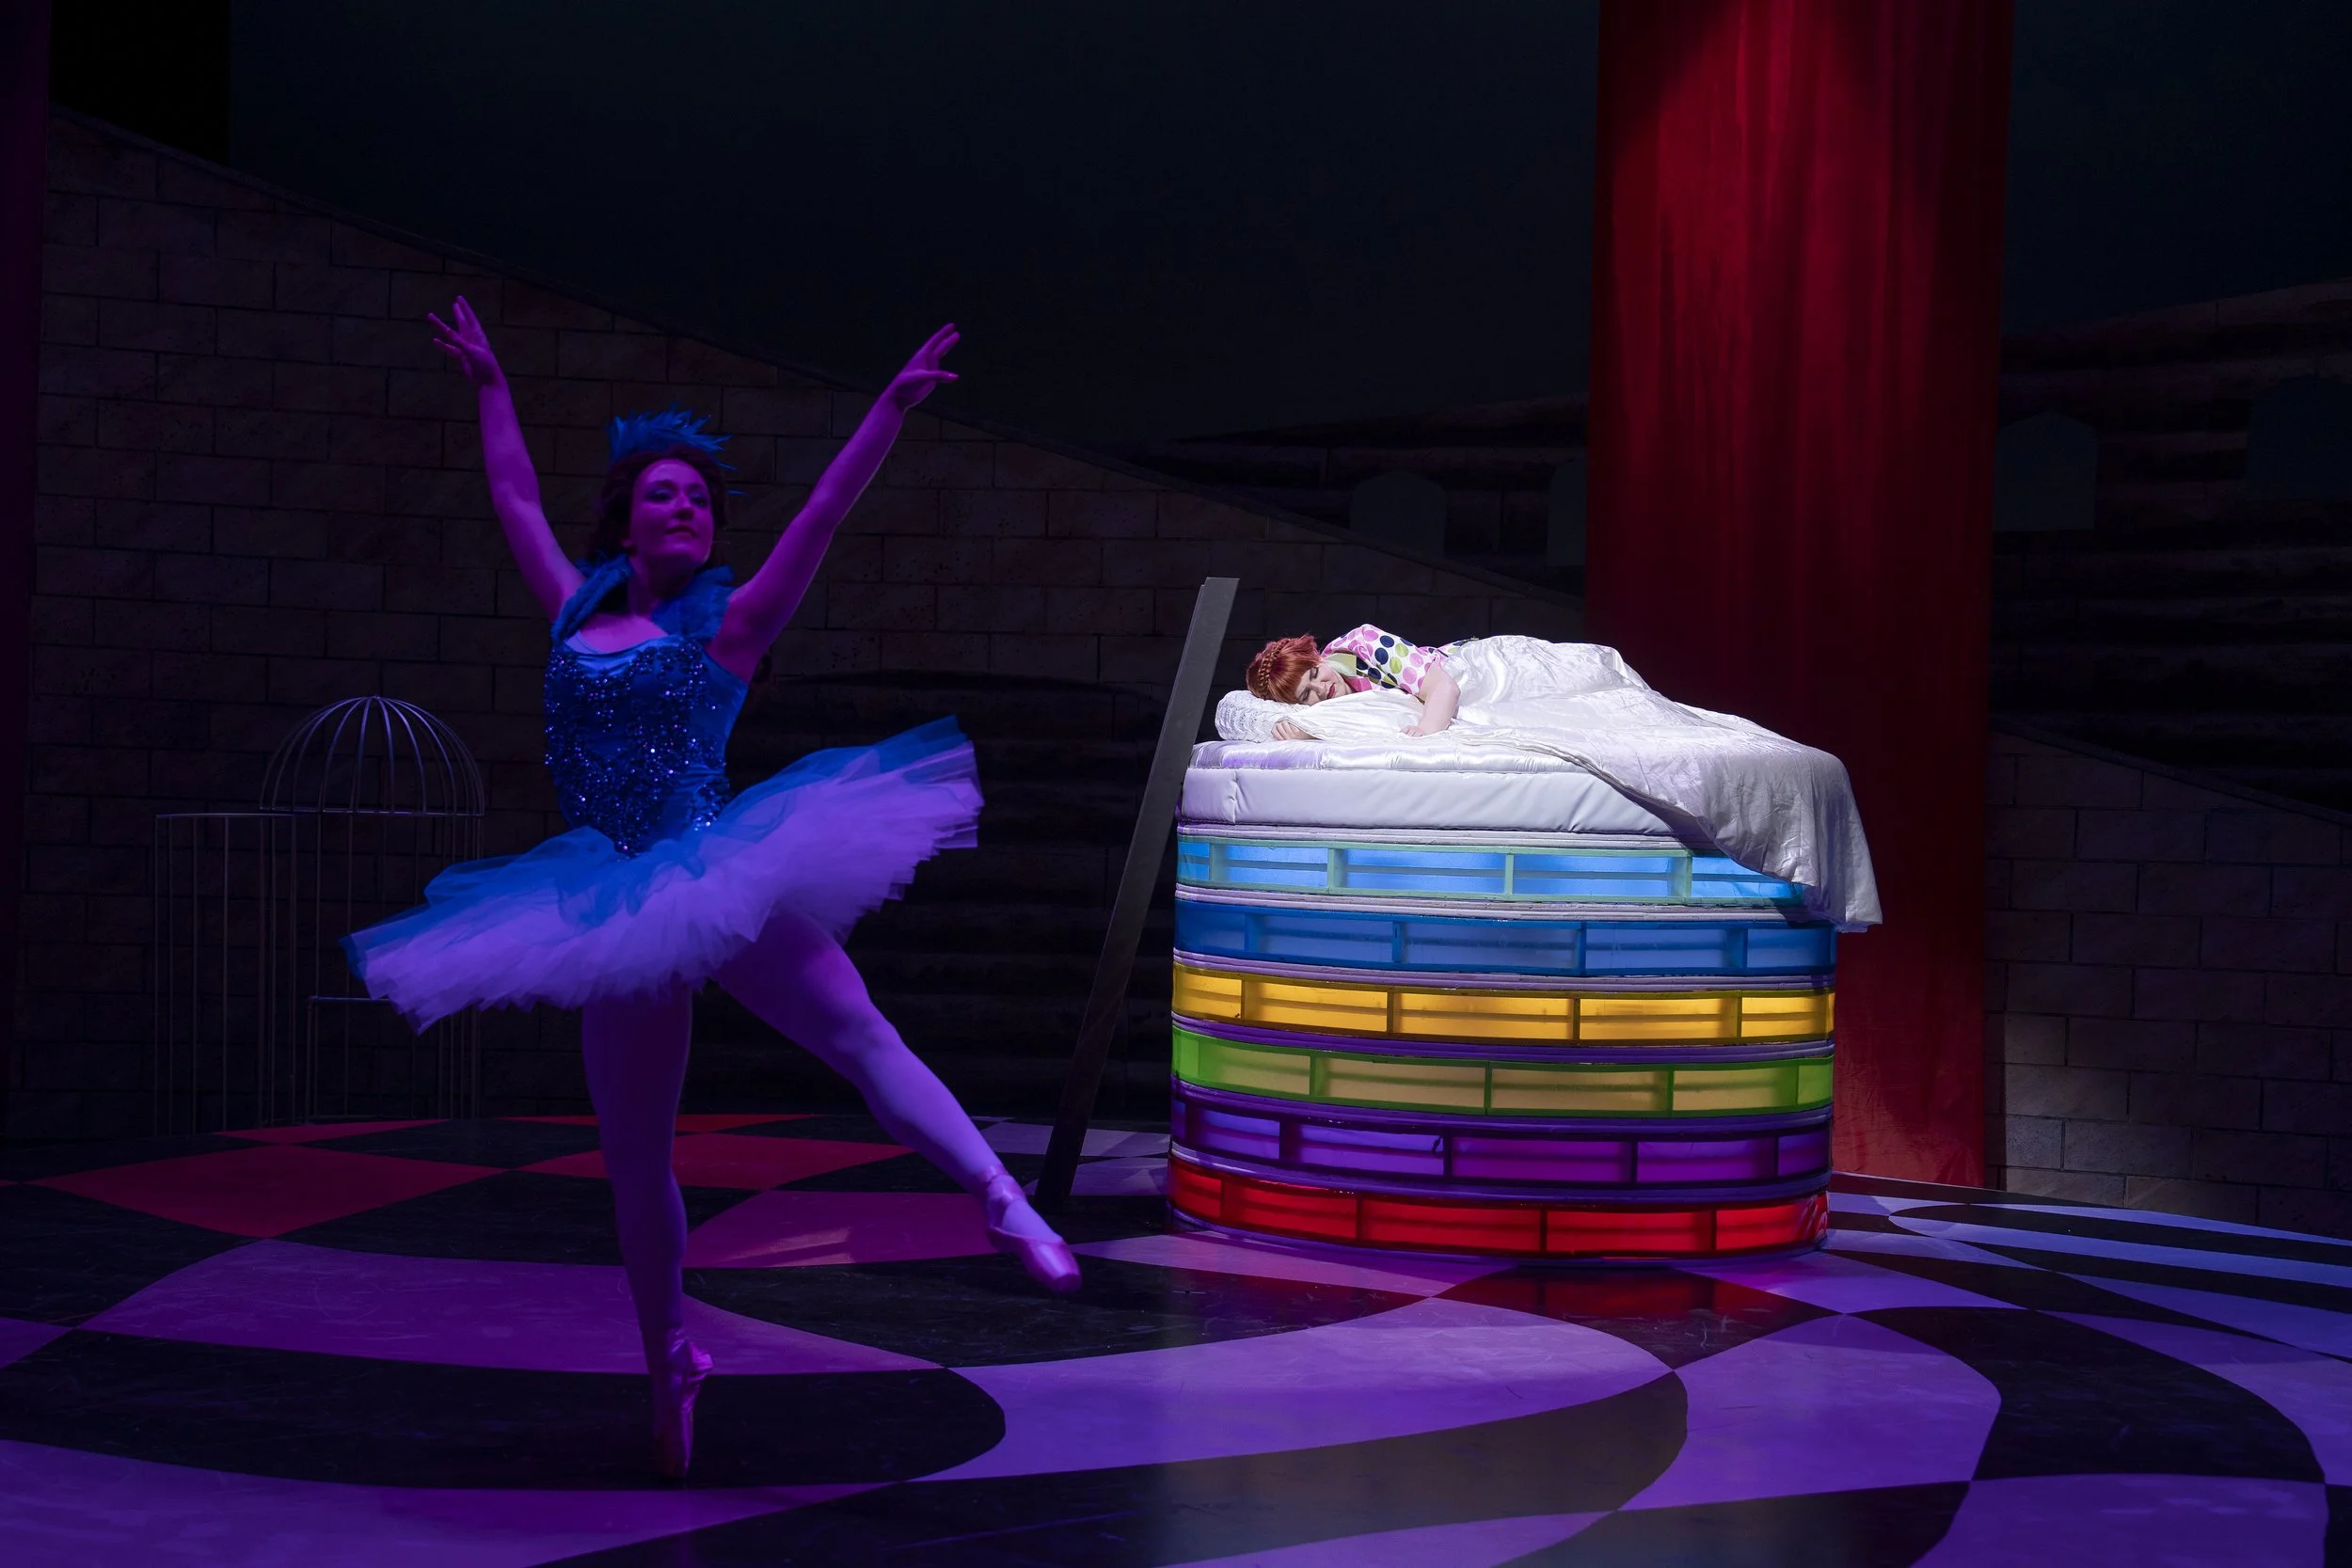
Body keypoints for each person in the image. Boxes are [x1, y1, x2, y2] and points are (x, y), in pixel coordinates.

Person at [344, 297, 1079, 1481]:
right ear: (627, 523)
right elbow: (516, 499)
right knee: (636, 1153)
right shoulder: (572, 611)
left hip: (717, 866)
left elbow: (825, 511)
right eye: (664, 494)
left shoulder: (731, 626)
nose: (686, 506)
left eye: (699, 496)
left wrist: (890, 408)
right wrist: (490, 385)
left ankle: (1000, 1195)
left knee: (860, 1032)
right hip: (608, 900)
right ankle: (670, 1358)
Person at [1245, 626, 1467, 738]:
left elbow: (1444, 687)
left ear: (1318, 658)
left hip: (1466, 671)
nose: (1321, 688)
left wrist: (1425, 733)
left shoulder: (1364, 642)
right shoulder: (1328, 711)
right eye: (1306, 694)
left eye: (1315, 673)